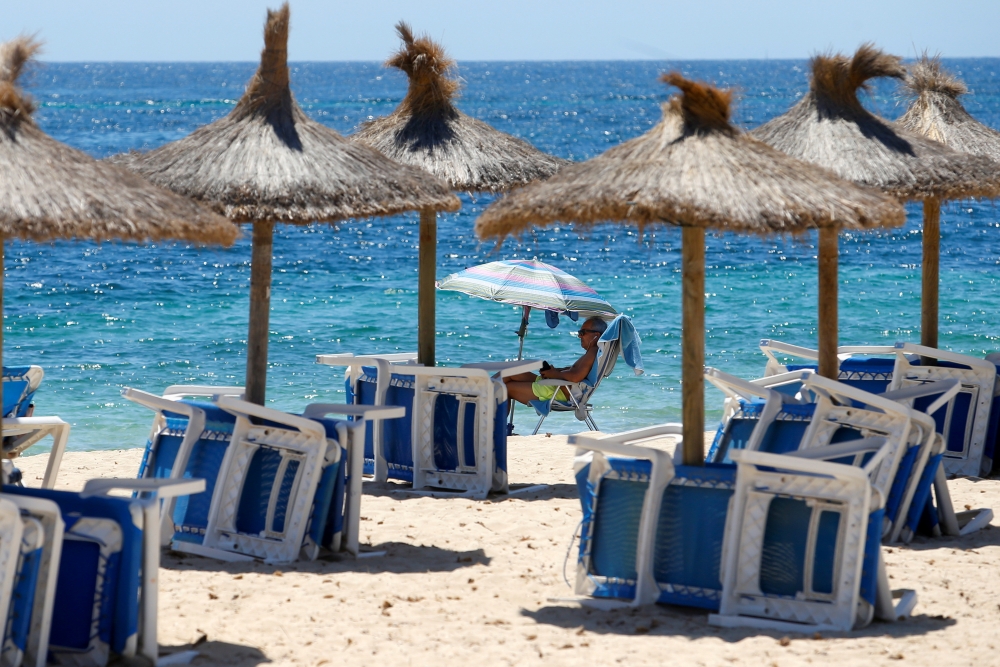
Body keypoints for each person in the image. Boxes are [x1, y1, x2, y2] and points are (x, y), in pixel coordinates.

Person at [503, 316, 607, 407]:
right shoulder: (593, 353)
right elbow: (577, 372)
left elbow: (576, 377)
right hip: (556, 386)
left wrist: (555, 374)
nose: (579, 336)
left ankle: (496, 425)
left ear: (596, 335)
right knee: (509, 372)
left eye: (582, 332)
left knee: (504, 389)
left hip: (558, 392)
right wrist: (556, 371)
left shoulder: (593, 352)